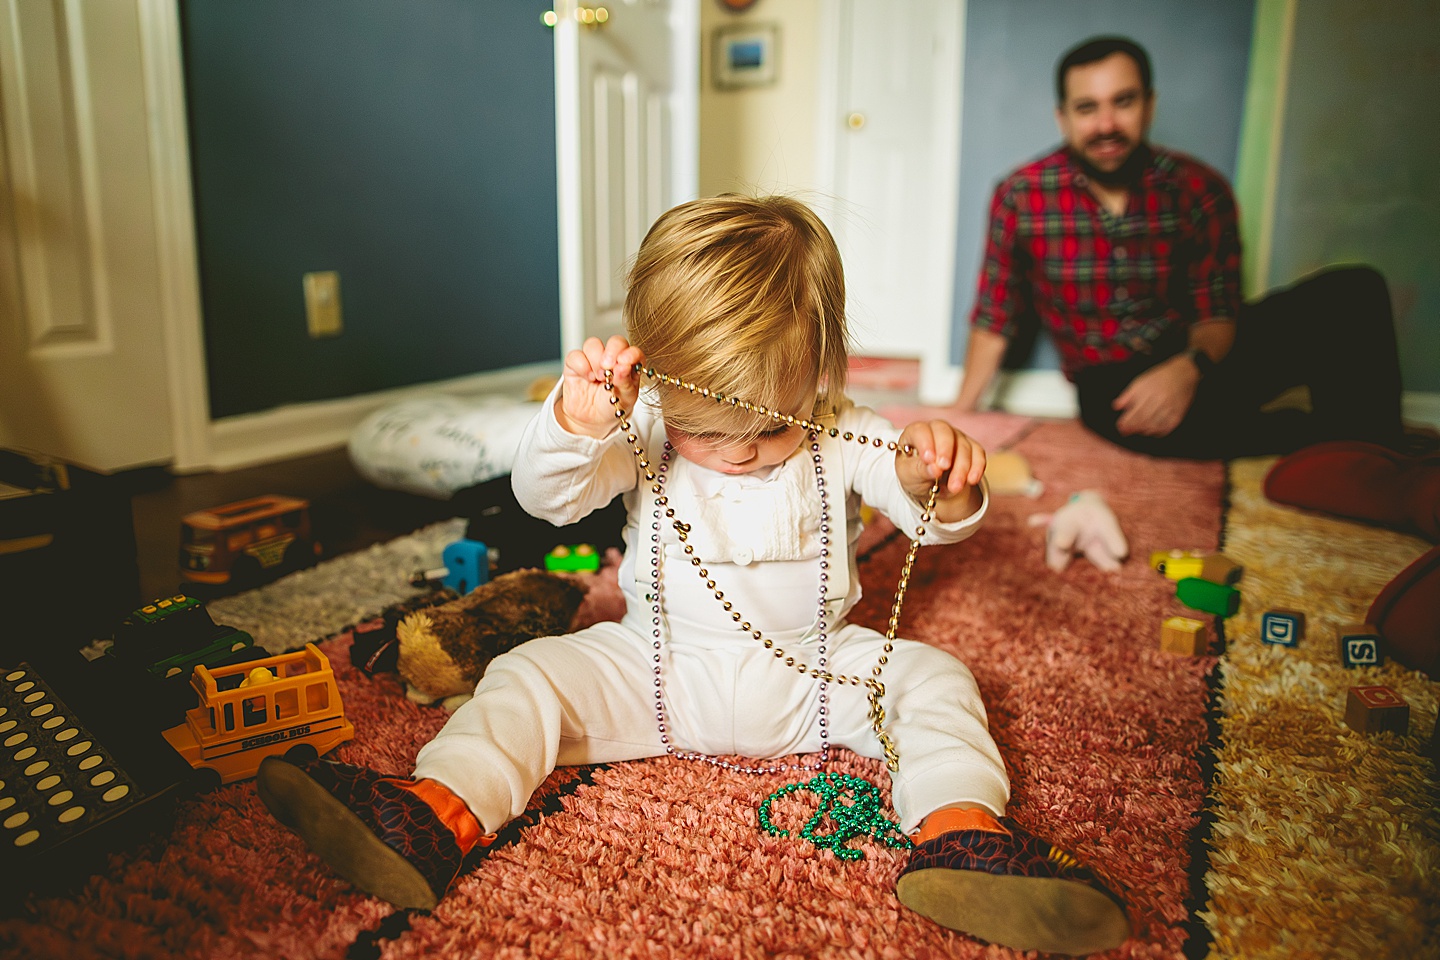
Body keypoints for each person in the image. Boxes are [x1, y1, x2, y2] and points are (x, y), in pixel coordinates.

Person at [256, 196, 1131, 955]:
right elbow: (547, 499)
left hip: (814, 678)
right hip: (655, 672)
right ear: (658, 381)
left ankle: (961, 830)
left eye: (771, 428)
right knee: (529, 671)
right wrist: (575, 425)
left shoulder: (844, 429)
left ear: (823, 374)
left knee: (934, 675)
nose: (743, 453)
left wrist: (934, 480)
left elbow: (926, 518)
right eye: (709, 431)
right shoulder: (637, 426)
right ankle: (438, 811)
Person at [953, 35, 1407, 460]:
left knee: (1355, 290)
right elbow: (995, 318)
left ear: (1149, 104)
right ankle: (1338, 446)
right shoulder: (1020, 195)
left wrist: (1187, 369)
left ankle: (1375, 460)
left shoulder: (1200, 188)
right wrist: (959, 416)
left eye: (1123, 102)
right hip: (1111, 384)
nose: (1106, 124)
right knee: (1159, 426)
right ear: (1063, 117)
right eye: (1087, 108)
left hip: (1201, 357)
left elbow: (1217, 314)